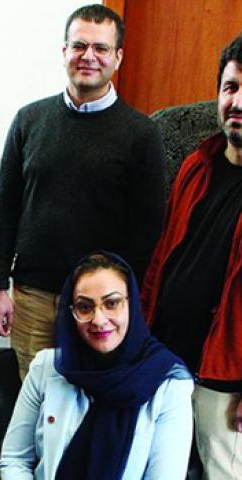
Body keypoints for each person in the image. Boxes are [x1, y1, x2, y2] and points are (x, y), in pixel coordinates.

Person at [0, 4, 165, 378]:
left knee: (91, 401)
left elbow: (148, 230)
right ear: (63, 52)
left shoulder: (142, 135)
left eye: (100, 48)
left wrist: (124, 302)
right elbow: (5, 207)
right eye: (79, 46)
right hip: (32, 297)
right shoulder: (28, 121)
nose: (88, 56)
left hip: (99, 306)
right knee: (34, 402)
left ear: (118, 57)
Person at [141, 34, 242, 479]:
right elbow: (163, 259)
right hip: (168, 359)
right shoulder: (197, 163)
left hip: (227, 379)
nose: (237, 102)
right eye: (231, 87)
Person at [0, 252, 193, 479]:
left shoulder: (168, 384)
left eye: (111, 303)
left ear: (132, 304)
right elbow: (15, 459)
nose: (99, 319)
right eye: (85, 307)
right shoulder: (47, 367)